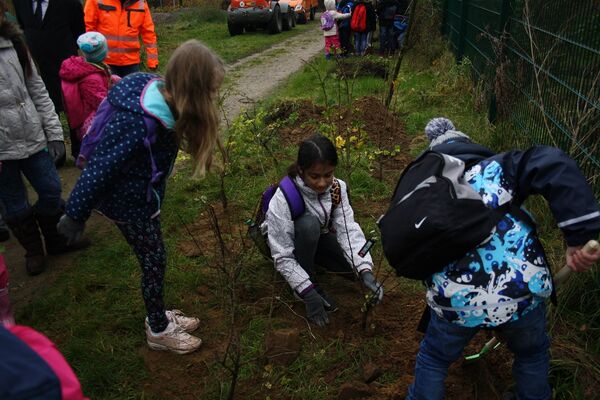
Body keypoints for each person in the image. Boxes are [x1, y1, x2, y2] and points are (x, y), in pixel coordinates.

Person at [406, 117, 600, 400]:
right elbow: (552, 163)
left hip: (455, 301)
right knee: (532, 355)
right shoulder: (497, 168)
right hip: (521, 293)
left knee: (435, 358)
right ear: (470, 147)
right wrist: (580, 236)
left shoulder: (424, 188)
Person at [57, 40, 225, 354]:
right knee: (154, 259)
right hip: (128, 202)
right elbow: (102, 164)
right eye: (209, 92)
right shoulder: (138, 121)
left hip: (140, 195)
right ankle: (158, 329)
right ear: (192, 89)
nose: (212, 98)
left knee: (153, 255)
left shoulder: (151, 87)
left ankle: (159, 314)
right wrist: (76, 213)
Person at [0, 6, 88, 276]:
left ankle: (55, 241)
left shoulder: (14, 43)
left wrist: (54, 133)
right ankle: (34, 251)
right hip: (3, 149)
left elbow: (36, 89)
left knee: (50, 188)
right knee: (14, 203)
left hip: (32, 135)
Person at [263, 134, 384, 327]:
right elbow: (282, 254)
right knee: (308, 225)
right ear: (301, 171)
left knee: (353, 273)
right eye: (314, 176)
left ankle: (319, 261)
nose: (321, 183)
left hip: (320, 236)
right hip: (292, 243)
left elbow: (348, 229)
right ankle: (308, 276)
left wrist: (365, 269)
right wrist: (307, 292)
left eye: (327, 175)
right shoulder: (284, 198)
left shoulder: (337, 188)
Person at [12, 0, 85, 114]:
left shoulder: (70, 3)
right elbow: (23, 27)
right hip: (38, 70)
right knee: (45, 111)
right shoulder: (20, 2)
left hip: (66, 69)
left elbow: (79, 33)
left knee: (74, 112)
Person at [60, 31, 119, 159]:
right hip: (93, 124)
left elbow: (104, 77)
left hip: (94, 118)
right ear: (102, 53)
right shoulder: (91, 79)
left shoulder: (90, 66)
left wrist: (115, 80)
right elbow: (102, 103)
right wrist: (120, 98)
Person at [83, 0, 158, 77]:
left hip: (131, 62)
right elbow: (88, 26)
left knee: (131, 89)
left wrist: (153, 61)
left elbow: (148, 33)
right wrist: (92, 55)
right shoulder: (96, 1)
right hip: (105, 60)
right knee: (107, 88)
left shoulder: (140, 3)